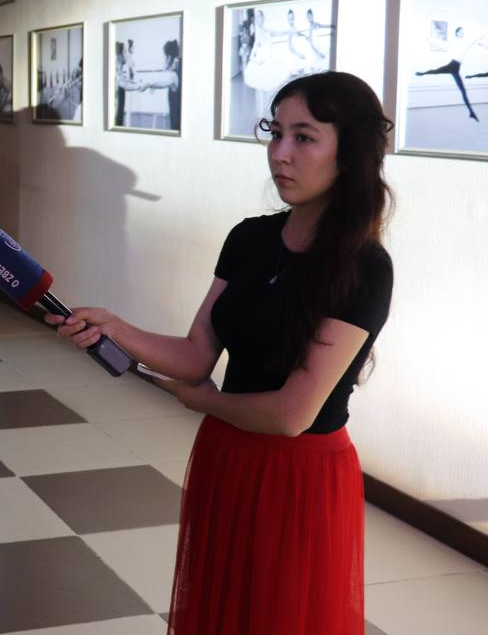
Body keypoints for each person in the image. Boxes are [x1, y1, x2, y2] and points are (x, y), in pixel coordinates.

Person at [49, 71, 393, 634]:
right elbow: (195, 355)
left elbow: (290, 415)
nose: (280, 153)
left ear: (350, 153)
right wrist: (115, 326)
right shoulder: (250, 239)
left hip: (299, 475)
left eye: (304, 138)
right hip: (226, 453)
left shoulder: (364, 268)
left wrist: (202, 402)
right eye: (274, 133)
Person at [415, 27, 486, 121]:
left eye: (463, 31)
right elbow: (443, 44)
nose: (463, 33)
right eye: (461, 31)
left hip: (456, 69)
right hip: (451, 66)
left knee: (463, 91)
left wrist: (482, 36)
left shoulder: (465, 43)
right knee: (435, 71)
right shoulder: (455, 43)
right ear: (457, 33)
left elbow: (474, 40)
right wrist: (430, 39)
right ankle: (422, 73)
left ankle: (471, 112)